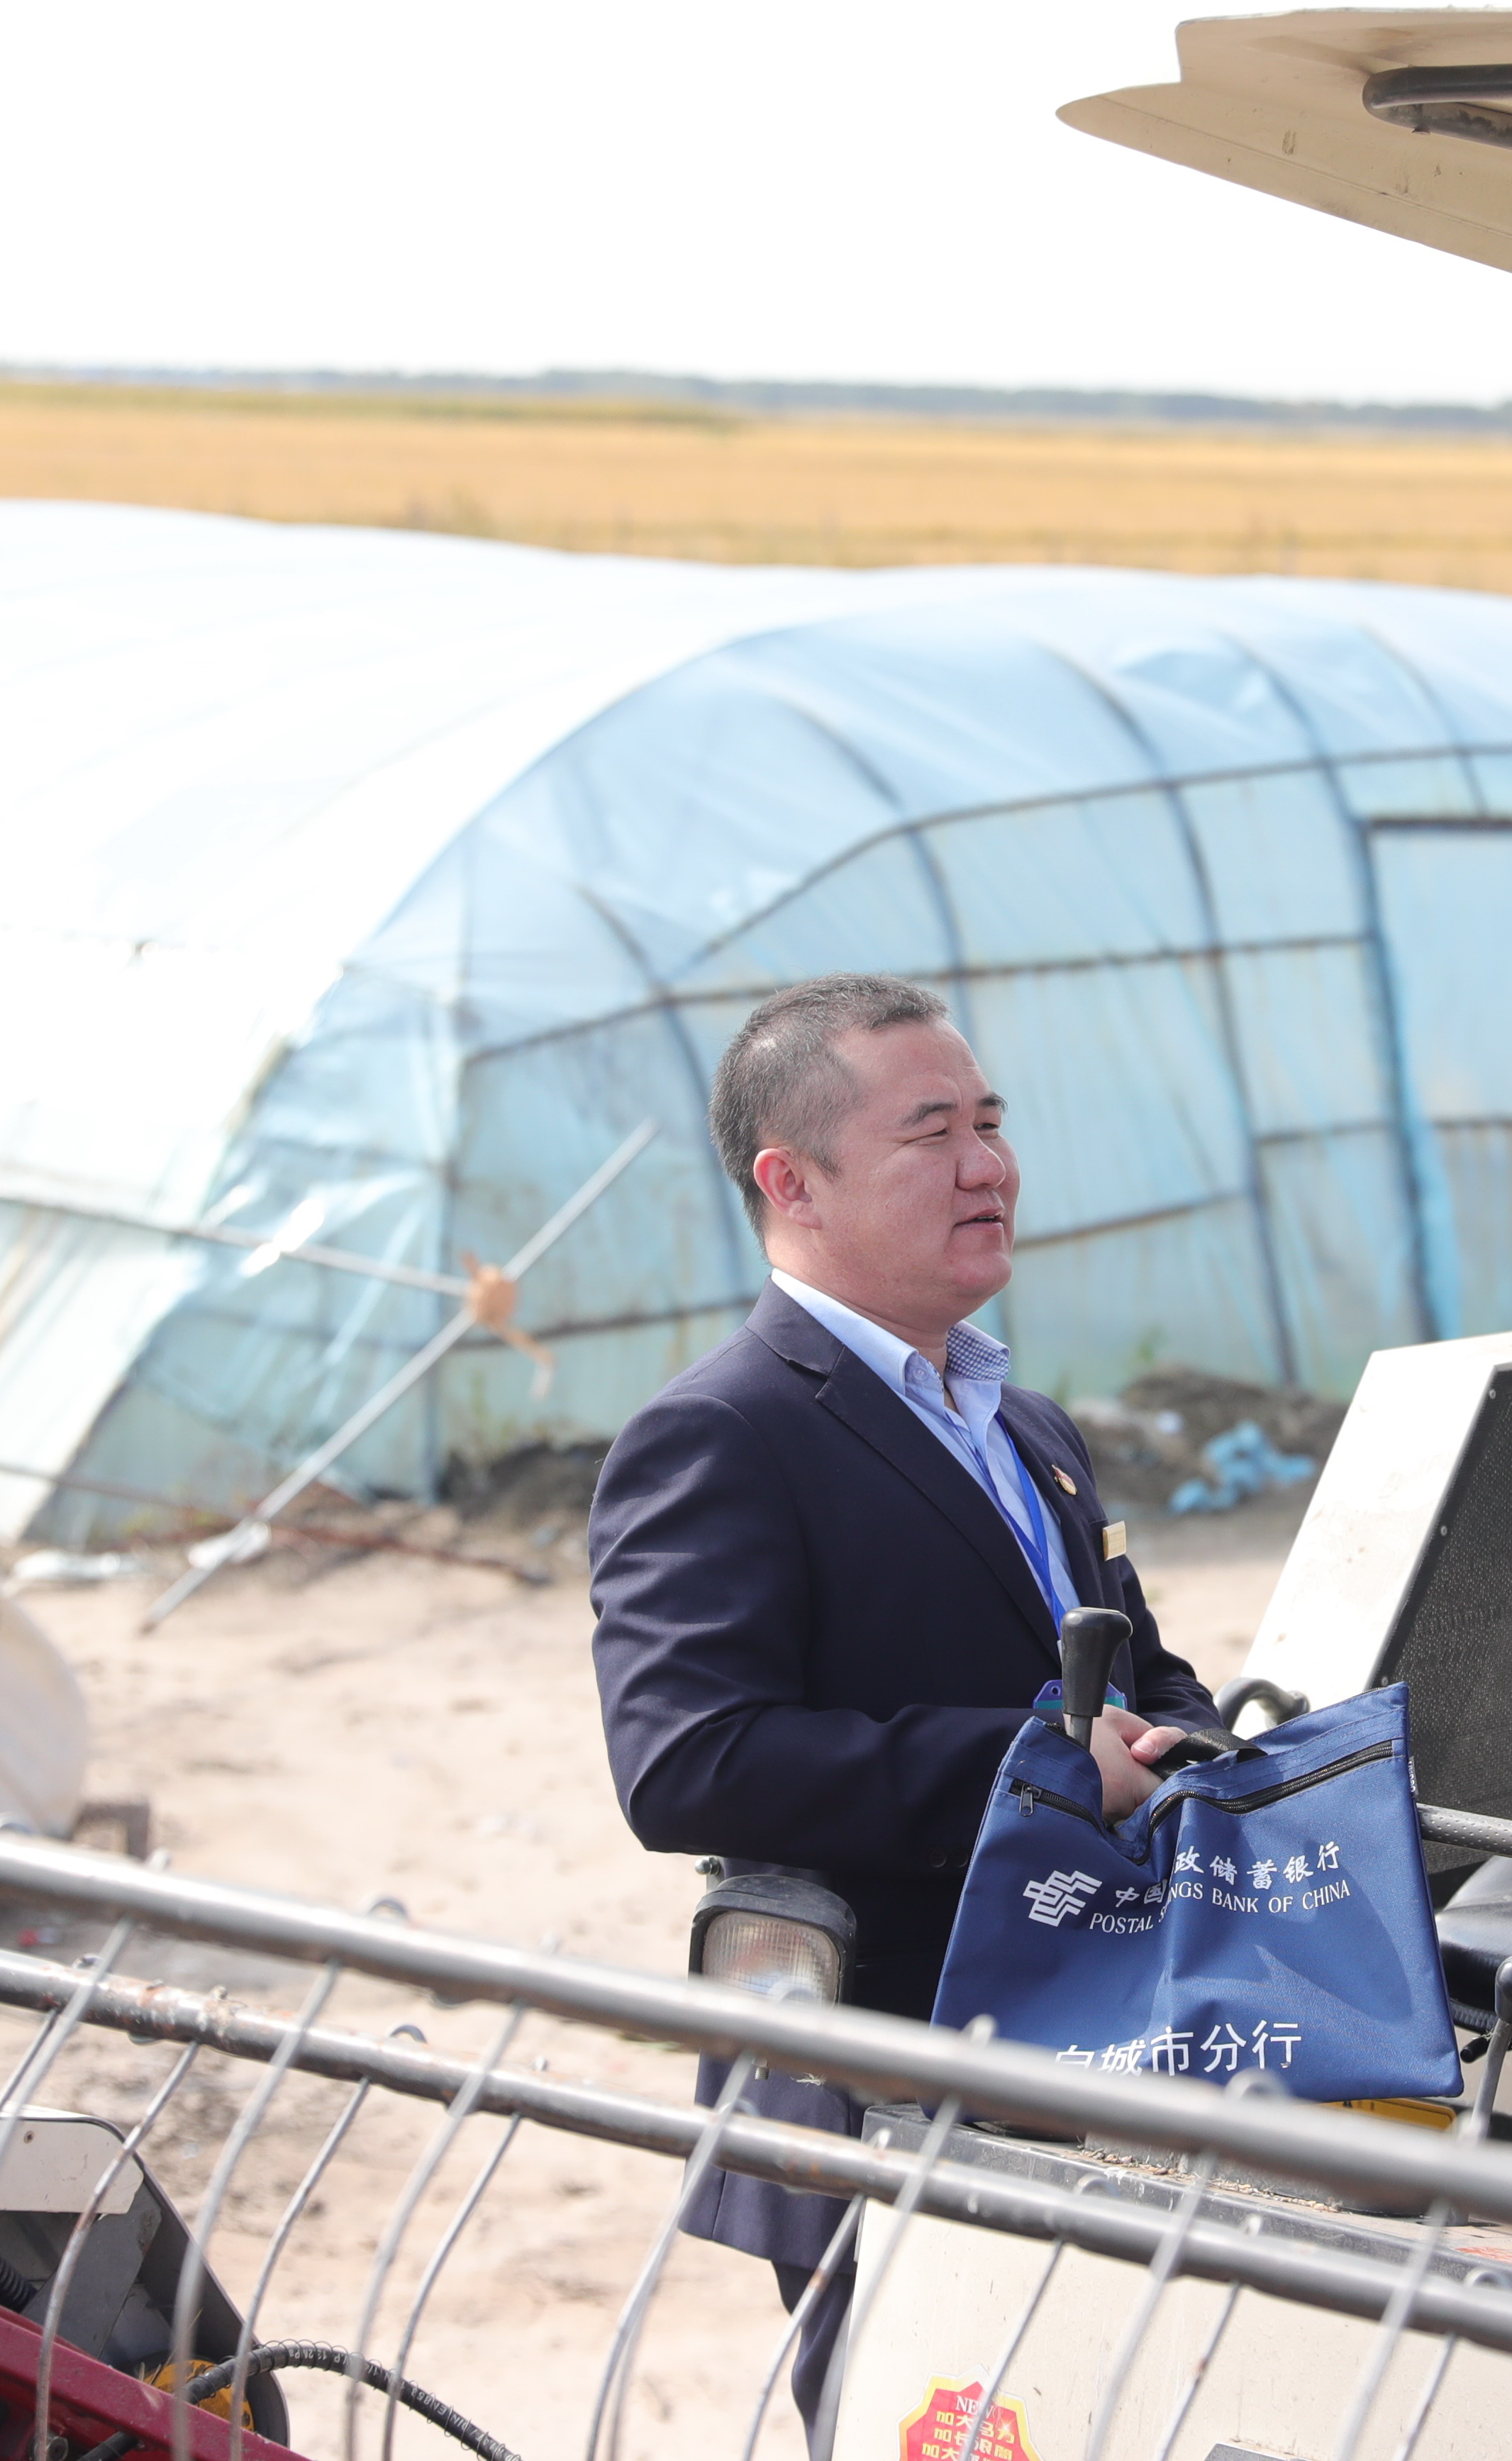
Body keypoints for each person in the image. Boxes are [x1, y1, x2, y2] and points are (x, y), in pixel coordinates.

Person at [589, 972, 1219, 2429]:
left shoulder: (1027, 1424)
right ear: (791, 1182)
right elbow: (688, 1761)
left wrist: (1202, 1747)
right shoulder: (722, 1433)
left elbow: (1136, 1664)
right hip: (886, 2068)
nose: (988, 1166)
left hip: (1094, 2035)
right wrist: (1043, 1769)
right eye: (932, 1134)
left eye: (991, 1122)